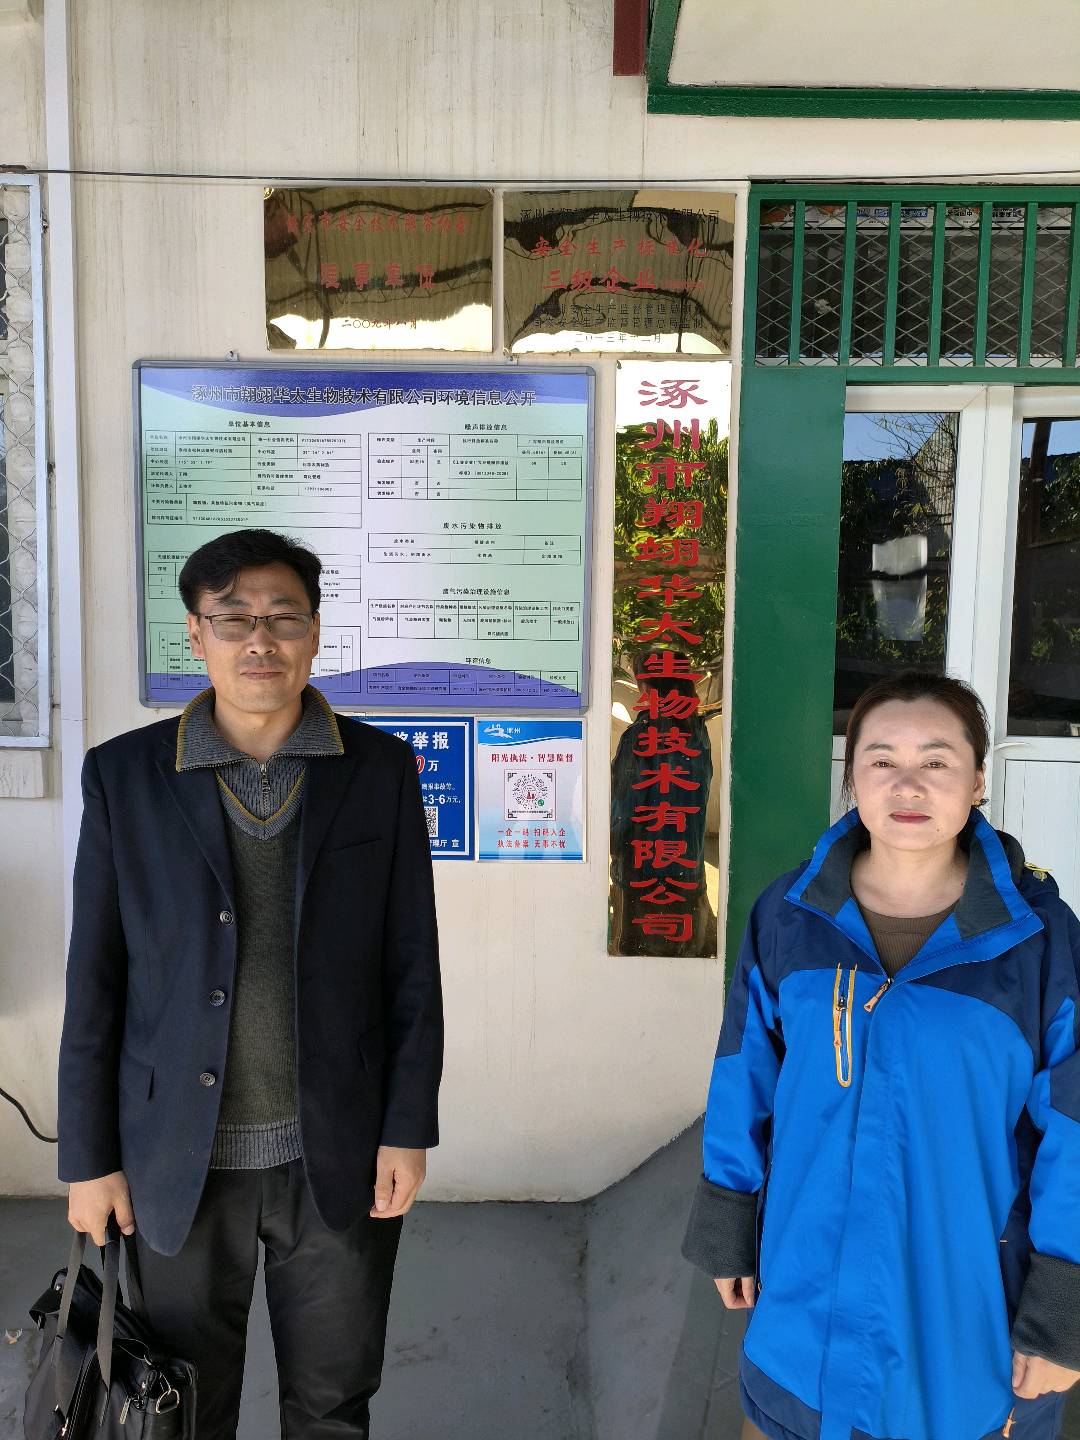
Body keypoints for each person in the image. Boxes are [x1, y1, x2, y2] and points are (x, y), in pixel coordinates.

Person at [58, 528, 443, 1440]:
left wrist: (407, 1127)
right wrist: (88, 1159)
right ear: (197, 636)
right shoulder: (125, 776)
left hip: (337, 1150)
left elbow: (411, 963)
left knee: (333, 1404)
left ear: (315, 633)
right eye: (232, 619)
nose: (259, 640)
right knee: (181, 1407)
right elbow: (95, 977)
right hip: (176, 1161)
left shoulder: (379, 770)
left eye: (283, 617)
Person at [683, 671, 1080, 1440]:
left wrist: (1064, 1305)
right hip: (804, 1298)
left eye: (936, 760)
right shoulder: (790, 915)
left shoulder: (1040, 940)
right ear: (853, 778)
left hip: (967, 1318)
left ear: (977, 780)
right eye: (882, 760)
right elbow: (742, 1076)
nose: (908, 784)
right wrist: (728, 1214)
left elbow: (1075, 1130)